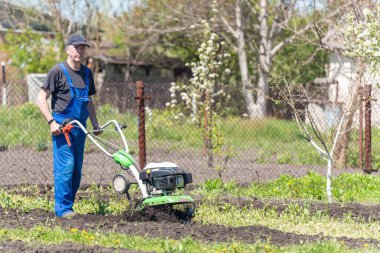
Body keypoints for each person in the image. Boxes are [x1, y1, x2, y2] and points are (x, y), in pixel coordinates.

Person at [37, 34, 102, 218]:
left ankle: (68, 207)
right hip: (62, 128)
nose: (79, 51)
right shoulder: (57, 71)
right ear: (68, 49)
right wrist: (51, 122)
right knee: (66, 166)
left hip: (80, 128)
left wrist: (95, 124)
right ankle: (63, 209)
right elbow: (41, 98)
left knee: (76, 170)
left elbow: (88, 101)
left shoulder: (87, 73)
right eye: (76, 47)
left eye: (83, 48)